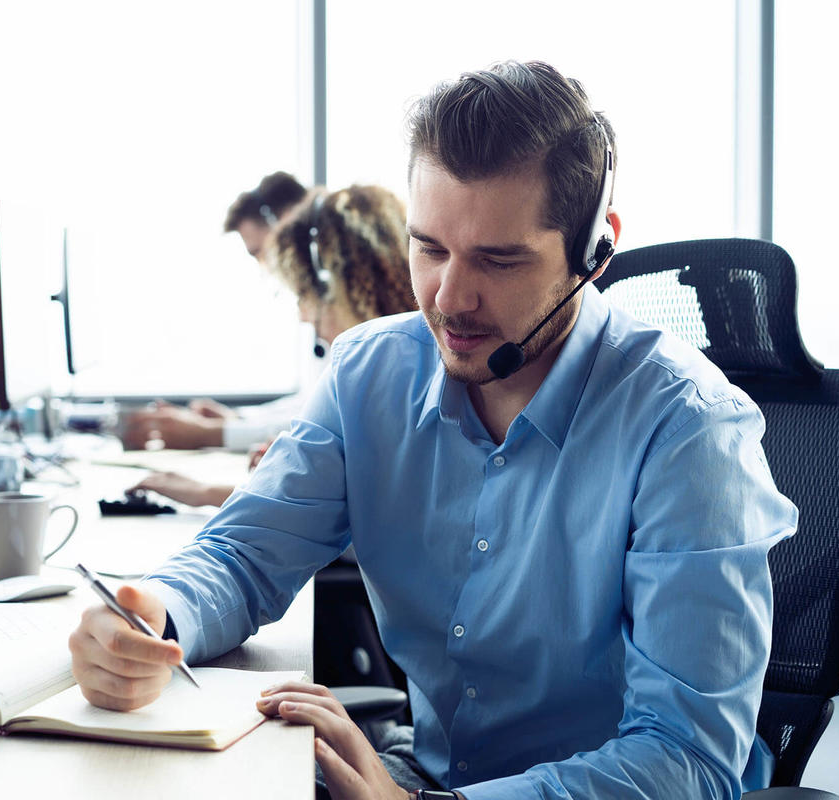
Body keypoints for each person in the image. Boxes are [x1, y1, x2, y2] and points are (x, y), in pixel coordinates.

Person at [68, 60, 797, 800]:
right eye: (430, 248)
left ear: (595, 251)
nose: (449, 299)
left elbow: (686, 760)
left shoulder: (690, 432)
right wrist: (159, 614)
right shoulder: (366, 375)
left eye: (498, 259)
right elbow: (245, 555)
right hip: (427, 774)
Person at [130, 184, 417, 507]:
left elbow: (361, 519)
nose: (304, 317)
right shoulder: (385, 361)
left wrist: (211, 490)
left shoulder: (400, 371)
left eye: (303, 296)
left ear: (333, 285)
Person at [119, 172, 310, 452]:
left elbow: (322, 426)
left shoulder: (343, 306)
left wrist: (210, 434)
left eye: (260, 251)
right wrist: (238, 417)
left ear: (287, 229)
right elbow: (311, 402)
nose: (264, 267)